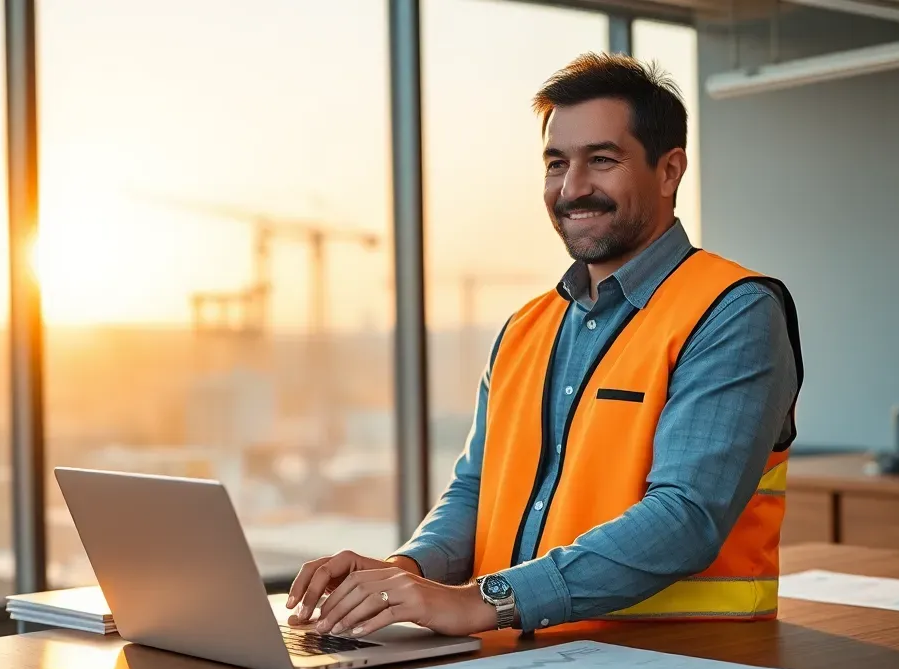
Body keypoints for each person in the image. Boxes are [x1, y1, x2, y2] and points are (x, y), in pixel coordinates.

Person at [286, 52, 802, 638]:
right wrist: (404, 574)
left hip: (693, 667)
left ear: (669, 171)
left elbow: (684, 516)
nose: (572, 188)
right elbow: (477, 491)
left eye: (601, 161)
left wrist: (483, 602)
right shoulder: (524, 328)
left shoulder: (733, 311)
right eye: (556, 164)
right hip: (525, 661)